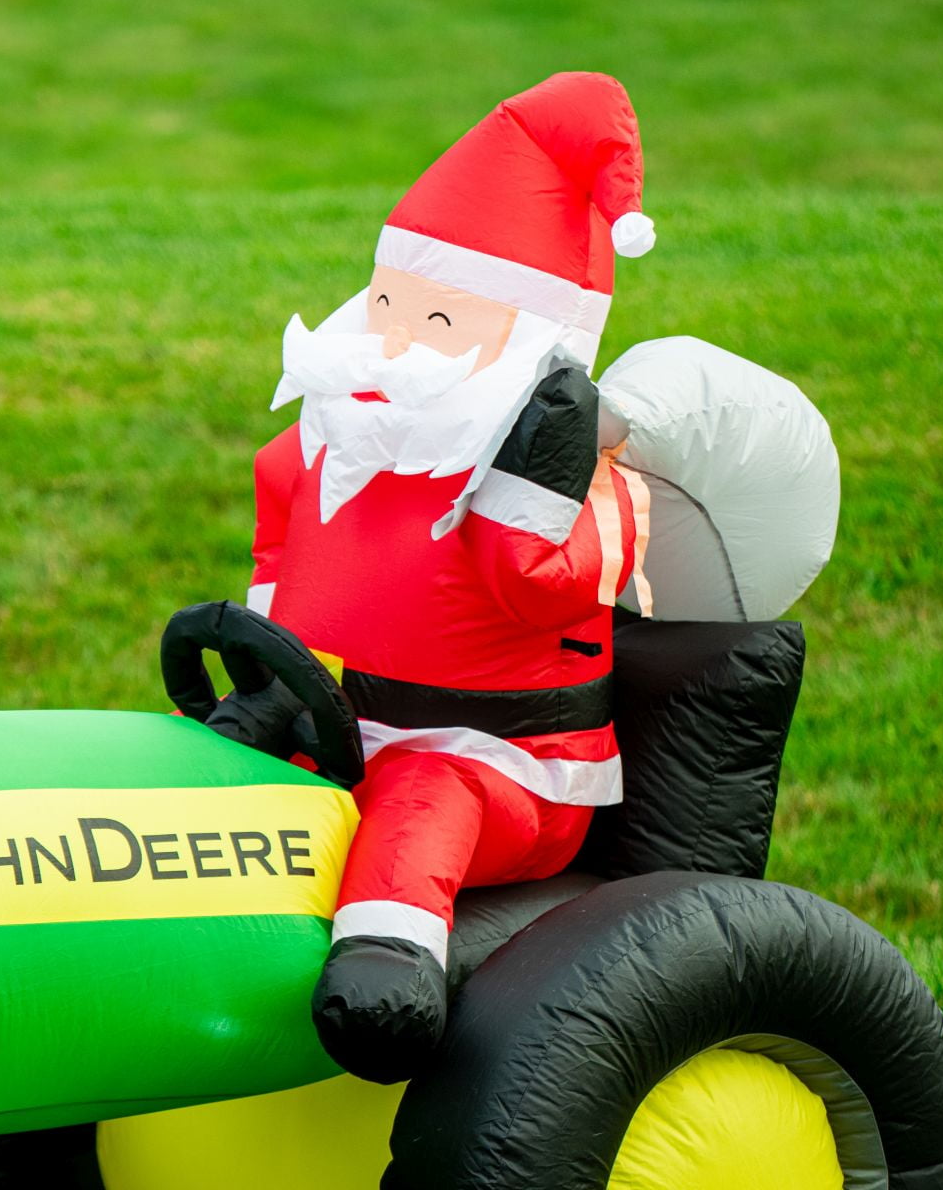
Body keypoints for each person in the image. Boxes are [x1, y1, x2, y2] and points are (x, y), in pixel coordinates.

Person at [210, 71, 658, 1082]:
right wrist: (273, 686)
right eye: (384, 304)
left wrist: (532, 485)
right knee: (233, 762)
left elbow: (538, 586)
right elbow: (279, 551)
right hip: (342, 718)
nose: (393, 342)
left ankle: (390, 957)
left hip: (499, 761)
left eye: (438, 323)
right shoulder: (337, 447)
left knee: (422, 796)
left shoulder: (575, 481)